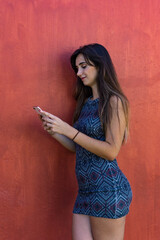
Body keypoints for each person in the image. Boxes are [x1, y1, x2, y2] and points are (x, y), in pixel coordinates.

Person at [38, 43, 133, 240]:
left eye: (83, 66)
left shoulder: (114, 101)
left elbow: (111, 151)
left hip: (107, 189)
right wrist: (55, 131)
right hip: (85, 191)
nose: (78, 72)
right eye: (77, 68)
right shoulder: (86, 103)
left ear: (100, 66)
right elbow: (77, 147)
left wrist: (69, 130)